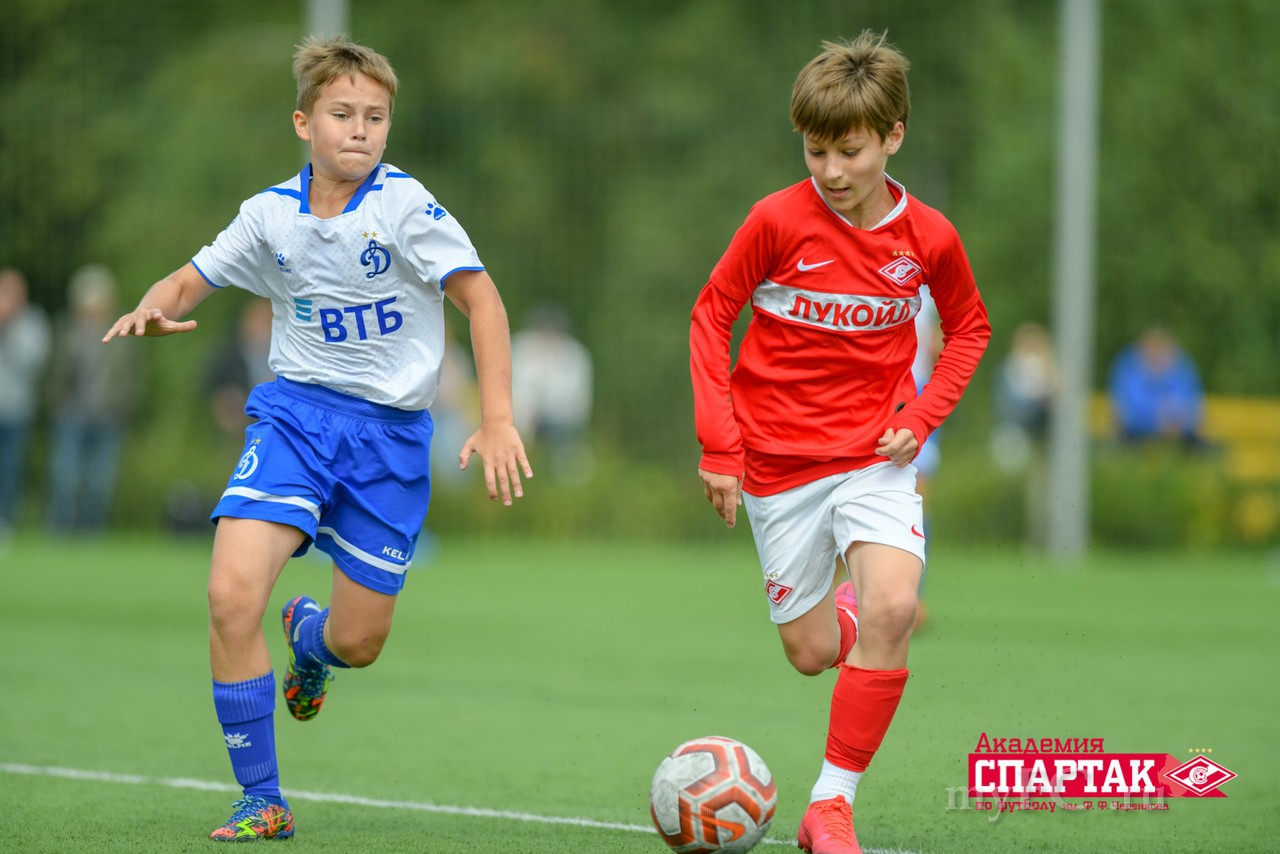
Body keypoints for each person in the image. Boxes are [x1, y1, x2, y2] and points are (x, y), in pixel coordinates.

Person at [102, 35, 532, 843]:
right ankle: (261, 799)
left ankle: (309, 638)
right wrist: (154, 306)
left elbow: (484, 301)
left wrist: (498, 417)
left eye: (376, 116)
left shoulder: (405, 206)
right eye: (342, 113)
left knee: (359, 643)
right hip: (295, 420)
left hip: (390, 441)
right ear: (304, 122)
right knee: (230, 596)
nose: (360, 129)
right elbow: (189, 279)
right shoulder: (269, 215)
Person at [689, 31, 990, 854]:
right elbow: (712, 315)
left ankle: (830, 807)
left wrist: (921, 420)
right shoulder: (776, 221)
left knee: (895, 606)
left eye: (849, 151)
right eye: (816, 151)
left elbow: (970, 328)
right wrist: (720, 446)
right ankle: (849, 615)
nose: (830, 170)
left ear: (893, 137)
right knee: (811, 652)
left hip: (873, 458)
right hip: (777, 466)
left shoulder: (929, 237)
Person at [46, 264, 138, 533]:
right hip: (71, 413)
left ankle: (91, 530)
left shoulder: (123, 331)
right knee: (65, 476)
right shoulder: (66, 330)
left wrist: (124, 405)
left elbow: (132, 375)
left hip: (109, 414)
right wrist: (57, 404)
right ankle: (61, 528)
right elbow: (55, 372)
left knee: (100, 480)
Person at [510, 302, 593, 478]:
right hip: (521, 415)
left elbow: (576, 396)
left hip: (561, 419)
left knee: (566, 456)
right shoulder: (520, 347)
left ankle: (557, 472)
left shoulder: (575, 354)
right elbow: (515, 384)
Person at [0, 267, 51, 536]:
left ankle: (5, 521)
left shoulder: (33, 322)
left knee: (10, 468)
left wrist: (10, 327)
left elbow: (32, 362)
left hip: (16, 409)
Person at [1107, 326, 1205, 448]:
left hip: (1179, 434)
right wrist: (1157, 422)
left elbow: (1193, 406)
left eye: (1161, 348)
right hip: (1136, 435)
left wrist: (1177, 420)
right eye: (1152, 348)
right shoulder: (1129, 369)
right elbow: (1126, 411)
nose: (1156, 353)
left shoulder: (1182, 369)